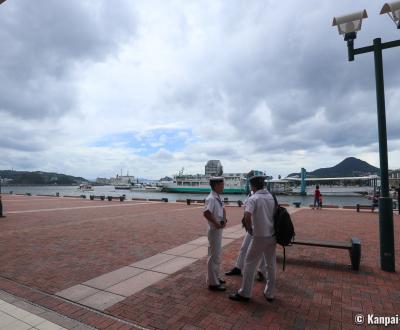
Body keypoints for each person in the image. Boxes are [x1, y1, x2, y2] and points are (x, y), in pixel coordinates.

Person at [229, 175, 276, 302]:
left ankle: (245, 293)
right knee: (271, 264)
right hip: (272, 235)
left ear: (253, 185)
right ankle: (270, 292)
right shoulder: (270, 196)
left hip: (259, 236)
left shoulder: (253, 198)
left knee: (249, 264)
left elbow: (247, 216)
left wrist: (250, 230)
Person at [225, 192, 267, 282]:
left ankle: (261, 272)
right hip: (251, 226)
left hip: (263, 228)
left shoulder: (268, 196)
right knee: (244, 247)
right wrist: (245, 220)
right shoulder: (250, 194)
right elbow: (246, 207)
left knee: (263, 251)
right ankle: (238, 268)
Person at [203, 177, 227, 291]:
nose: (223, 186)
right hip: (214, 230)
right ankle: (213, 283)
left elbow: (223, 209)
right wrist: (217, 223)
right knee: (213, 256)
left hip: (218, 229)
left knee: (216, 255)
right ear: (216, 185)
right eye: (222, 184)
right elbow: (207, 213)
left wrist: (224, 220)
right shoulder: (211, 198)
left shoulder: (217, 196)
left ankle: (215, 277)